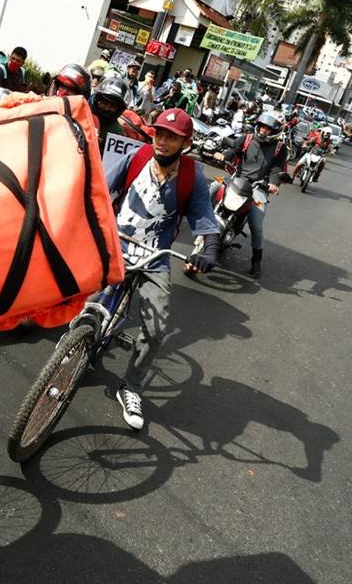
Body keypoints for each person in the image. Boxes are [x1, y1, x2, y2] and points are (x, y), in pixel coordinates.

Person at [104, 108, 219, 429]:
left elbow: (204, 219)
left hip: (155, 258)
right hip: (118, 245)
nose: (163, 142)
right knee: (90, 309)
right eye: (159, 134)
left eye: (172, 137)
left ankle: (131, 387)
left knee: (156, 329)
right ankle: (82, 343)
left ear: (186, 141)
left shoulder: (192, 176)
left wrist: (209, 250)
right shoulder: (138, 156)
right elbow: (103, 189)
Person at [213, 112, 287, 278]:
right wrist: (224, 155)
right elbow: (233, 150)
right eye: (261, 127)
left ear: (275, 131)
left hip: (258, 188)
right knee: (213, 189)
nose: (263, 131)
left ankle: (256, 262)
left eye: (268, 129)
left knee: (256, 224)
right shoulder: (246, 138)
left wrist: (274, 183)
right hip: (237, 181)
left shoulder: (279, 149)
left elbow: (277, 169)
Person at [90, 76, 128, 154]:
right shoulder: (82, 115)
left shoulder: (117, 134)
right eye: (104, 103)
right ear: (97, 100)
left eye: (113, 106)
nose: (107, 108)